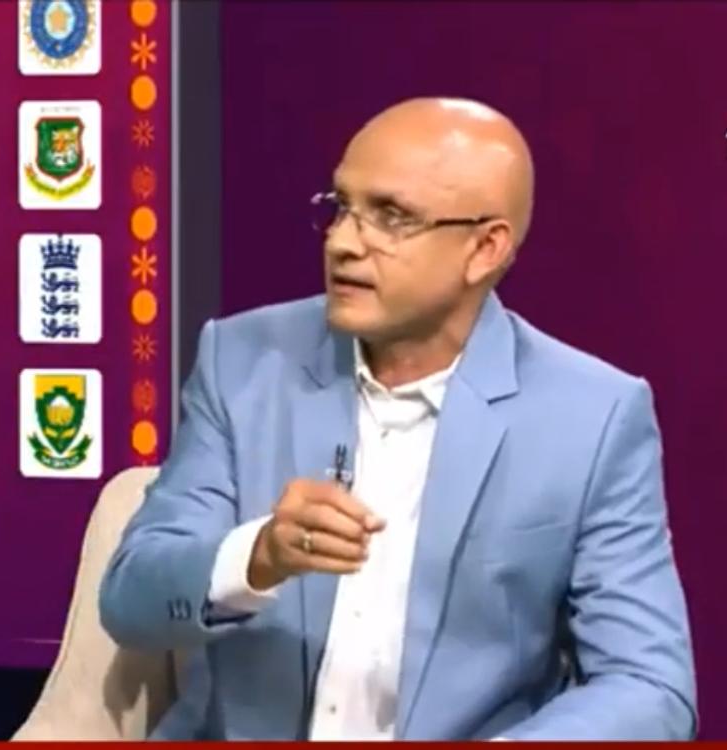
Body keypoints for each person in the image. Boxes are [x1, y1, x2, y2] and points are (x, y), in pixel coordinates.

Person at [98, 97, 697, 740]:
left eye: (391, 217)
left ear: (484, 249)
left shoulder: (592, 415)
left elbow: (649, 685)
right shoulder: (244, 361)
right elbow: (130, 600)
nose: (342, 242)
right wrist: (258, 556)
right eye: (341, 207)